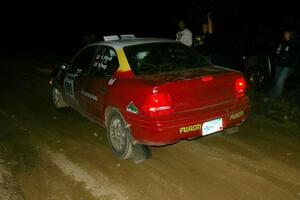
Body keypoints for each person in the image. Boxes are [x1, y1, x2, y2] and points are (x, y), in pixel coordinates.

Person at [265, 29, 299, 100]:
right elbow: (278, 51)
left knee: (280, 80)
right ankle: (274, 95)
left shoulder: (294, 42)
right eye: (285, 32)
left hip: (288, 66)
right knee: (277, 80)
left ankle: (272, 97)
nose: (285, 34)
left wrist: (292, 63)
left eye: (287, 33)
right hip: (279, 64)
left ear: (290, 34)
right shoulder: (282, 42)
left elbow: (292, 54)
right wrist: (277, 54)